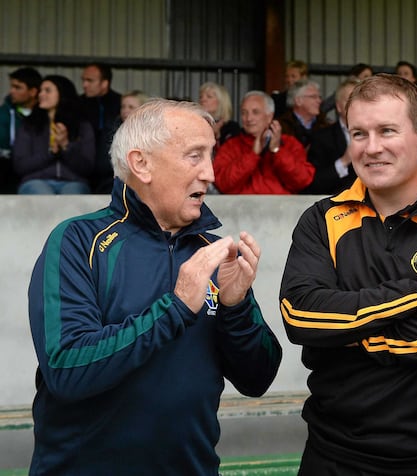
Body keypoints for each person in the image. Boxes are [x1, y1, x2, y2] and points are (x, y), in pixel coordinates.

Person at [27, 99, 283, 474]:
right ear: (141, 163)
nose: (211, 173)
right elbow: (68, 368)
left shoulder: (211, 254)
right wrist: (175, 307)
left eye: (210, 156)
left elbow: (258, 379)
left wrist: (236, 305)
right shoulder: (79, 241)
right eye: (194, 156)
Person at [280, 73, 417, 475]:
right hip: (335, 457)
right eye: (359, 133)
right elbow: (301, 315)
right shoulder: (321, 219)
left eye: (387, 131)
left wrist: (349, 334)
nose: (372, 148)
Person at [213, 90, 314, 194]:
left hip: (282, 208)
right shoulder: (231, 146)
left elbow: (302, 181)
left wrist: (277, 151)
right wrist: (252, 155)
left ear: (269, 116)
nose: (249, 118)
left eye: (255, 112)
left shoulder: (290, 144)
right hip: (241, 208)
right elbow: (222, 183)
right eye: (244, 113)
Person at [13, 75, 95, 194]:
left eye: (47, 90)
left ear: (62, 93)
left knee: (73, 199)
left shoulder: (82, 126)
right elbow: (20, 165)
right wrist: (51, 152)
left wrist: (65, 146)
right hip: (36, 181)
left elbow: (87, 168)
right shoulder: (29, 125)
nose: (41, 94)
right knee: (43, 197)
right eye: (40, 90)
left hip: (73, 182)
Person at [303, 78, 359, 195]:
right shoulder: (322, 138)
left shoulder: (378, 135)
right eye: (350, 99)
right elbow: (314, 183)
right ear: (338, 107)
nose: (356, 104)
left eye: (360, 99)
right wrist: (343, 161)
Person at [80, 62, 122, 194]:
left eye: (90, 80)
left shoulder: (120, 104)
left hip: (111, 171)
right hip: (83, 170)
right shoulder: (77, 104)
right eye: (83, 80)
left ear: (104, 83)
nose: (84, 85)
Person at [0, 66, 42, 193]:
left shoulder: (45, 114)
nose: (12, 91)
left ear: (33, 92)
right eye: (12, 86)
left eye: (18, 87)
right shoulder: (4, 113)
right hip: (8, 167)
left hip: (36, 169)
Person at [278, 79, 329, 149]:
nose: (319, 101)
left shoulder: (326, 126)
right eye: (313, 97)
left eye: (319, 97)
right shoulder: (281, 127)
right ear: (298, 101)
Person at [199, 81, 241, 148]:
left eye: (209, 96)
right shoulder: (197, 124)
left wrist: (217, 136)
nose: (203, 100)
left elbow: (230, 155)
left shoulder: (232, 127)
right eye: (201, 97)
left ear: (221, 101)